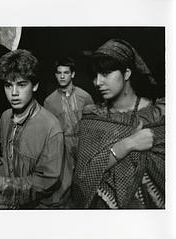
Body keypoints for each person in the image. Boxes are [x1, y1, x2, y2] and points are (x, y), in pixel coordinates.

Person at [71, 39, 165, 209]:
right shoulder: (93, 117)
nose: (98, 82)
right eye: (95, 75)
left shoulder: (158, 116)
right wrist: (127, 144)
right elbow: (83, 176)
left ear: (127, 73)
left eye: (105, 73)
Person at [0, 49, 69, 209]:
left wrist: (4, 184)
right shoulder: (5, 117)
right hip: (18, 203)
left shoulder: (51, 127)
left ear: (35, 85)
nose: (14, 93)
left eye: (21, 84)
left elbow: (46, 182)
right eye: (8, 85)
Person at [44, 57, 94, 188]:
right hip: (62, 146)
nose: (62, 76)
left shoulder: (85, 97)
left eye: (66, 72)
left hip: (83, 143)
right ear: (55, 75)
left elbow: (93, 124)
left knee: (86, 180)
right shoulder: (49, 102)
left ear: (72, 74)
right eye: (59, 73)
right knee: (64, 184)